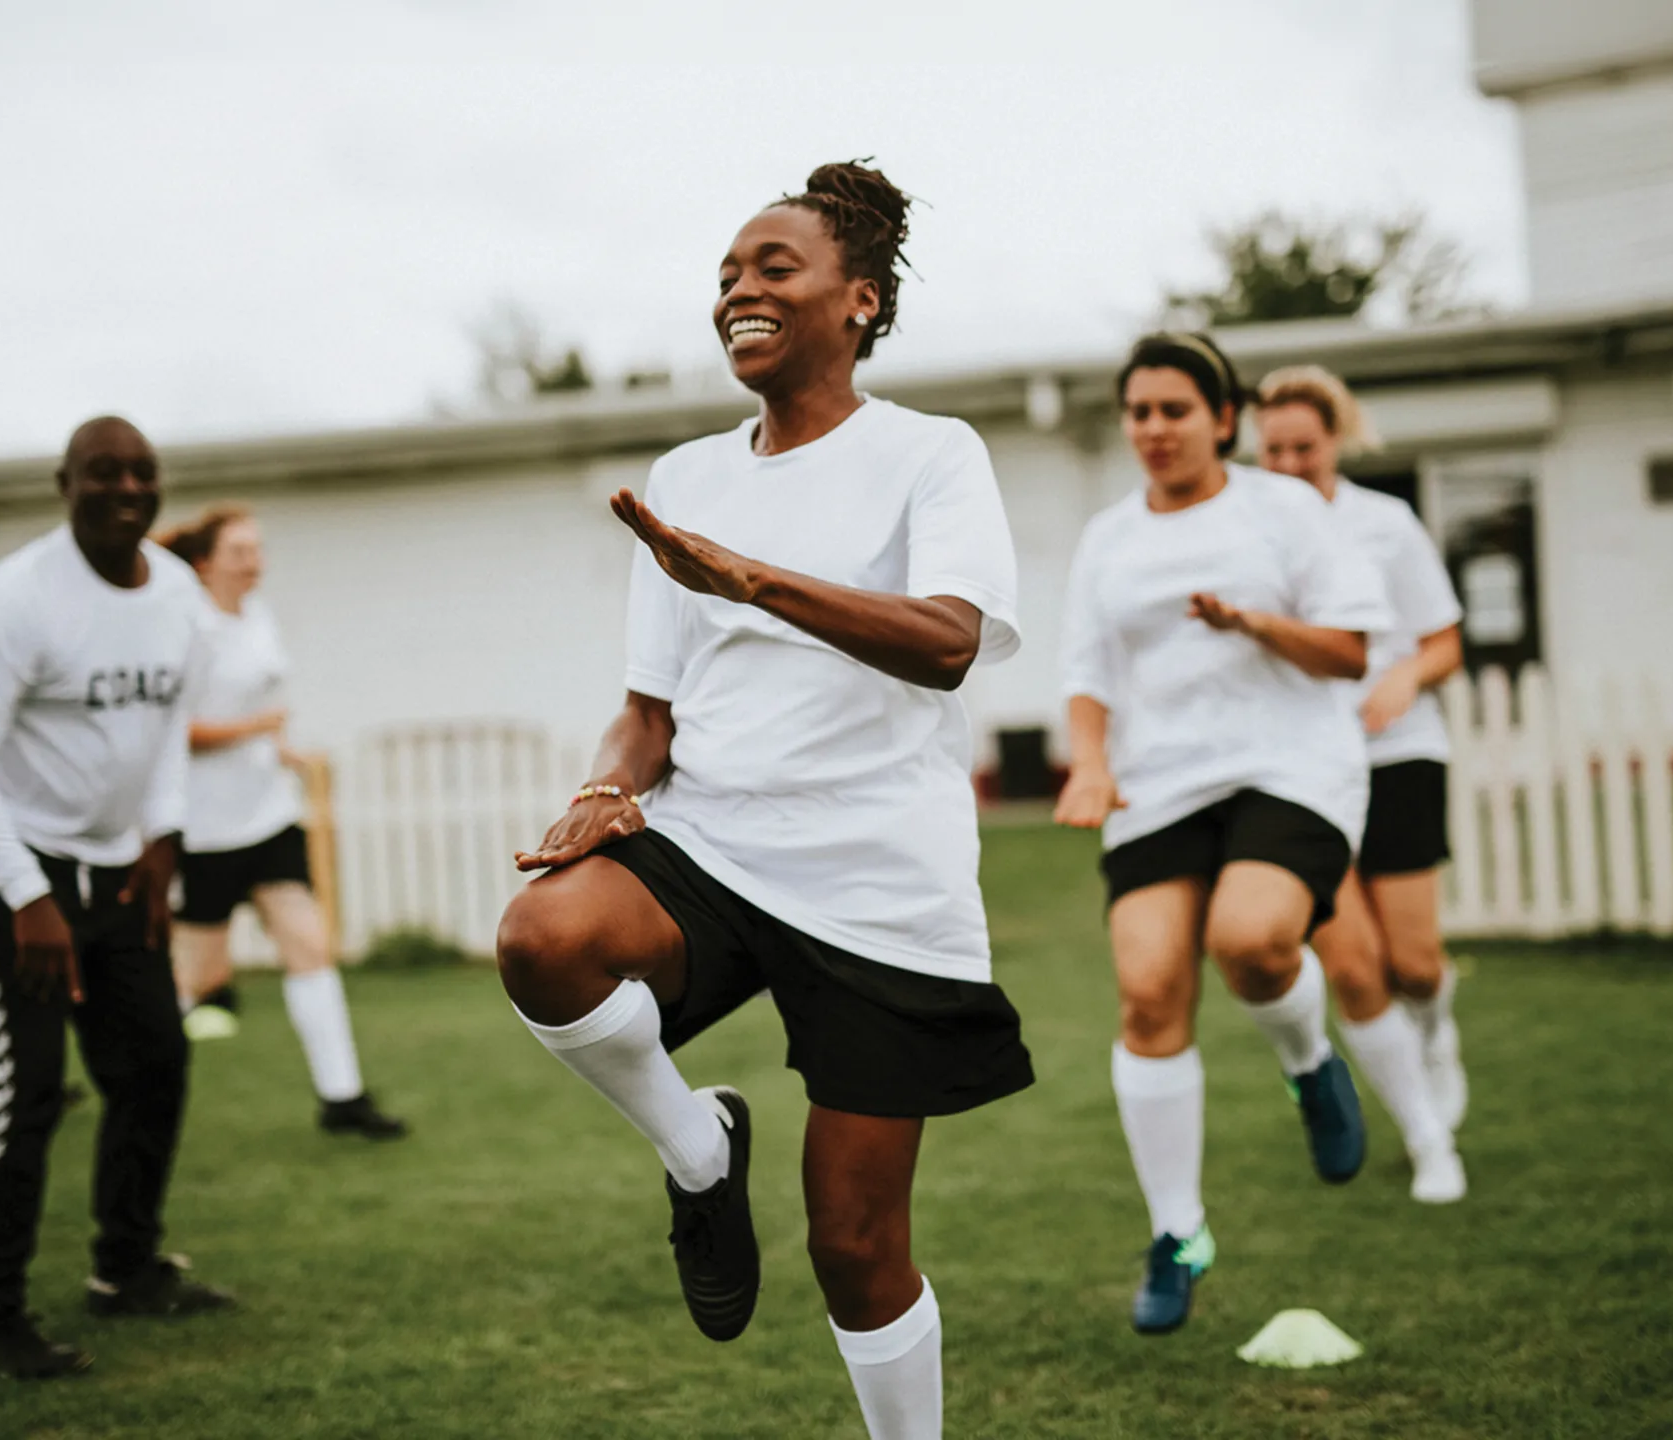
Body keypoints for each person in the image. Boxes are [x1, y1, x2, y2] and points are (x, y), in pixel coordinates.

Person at [492, 161, 1031, 1440]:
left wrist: (754, 580)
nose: (740, 290)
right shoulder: (683, 477)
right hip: (715, 843)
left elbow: (950, 639)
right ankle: (697, 1152)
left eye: (772, 269)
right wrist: (602, 790)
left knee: (852, 1246)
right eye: (727, 275)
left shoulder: (930, 455)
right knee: (543, 938)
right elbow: (651, 709)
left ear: (861, 301)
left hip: (878, 882)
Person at [1054, 331, 1391, 1336]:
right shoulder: (1107, 537)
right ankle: (1178, 1234)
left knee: (1249, 942)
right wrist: (1091, 762)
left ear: (1222, 419)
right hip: (1160, 785)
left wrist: (1251, 624)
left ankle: (1307, 1062)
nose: (1153, 430)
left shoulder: (1283, 509)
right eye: (1139, 412)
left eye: (1174, 410)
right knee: (1149, 989)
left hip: (1289, 765)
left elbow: (1347, 651)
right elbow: (1084, 673)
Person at [0, 415, 237, 1379]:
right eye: (103, 472)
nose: (126, 488)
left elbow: (172, 725)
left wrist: (161, 842)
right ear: (66, 483)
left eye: (142, 471)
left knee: (154, 1063)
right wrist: (26, 894)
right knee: (22, 1092)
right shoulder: (15, 599)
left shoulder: (178, 593)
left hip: (121, 868)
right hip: (13, 867)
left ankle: (126, 1269)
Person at [1257, 365, 1469, 1204]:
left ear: (1335, 440)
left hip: (1399, 753)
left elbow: (1444, 639)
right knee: (1355, 966)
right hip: (1302, 770)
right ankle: (1427, 1140)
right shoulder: (1245, 533)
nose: (1288, 463)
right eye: (1271, 450)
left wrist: (1407, 678)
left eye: (1303, 447)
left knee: (1414, 963)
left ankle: (1437, 1030)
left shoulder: (1387, 525)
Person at [153, 504, 404, 1139]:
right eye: (239, 551)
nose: (253, 562)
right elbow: (171, 732)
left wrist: (283, 751)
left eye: (257, 549)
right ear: (205, 563)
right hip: (205, 829)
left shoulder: (258, 617)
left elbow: (262, 717)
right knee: (200, 978)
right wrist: (258, 730)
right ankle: (135, 1081)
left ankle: (341, 1098)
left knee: (310, 947)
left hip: (267, 817)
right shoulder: (187, 629)